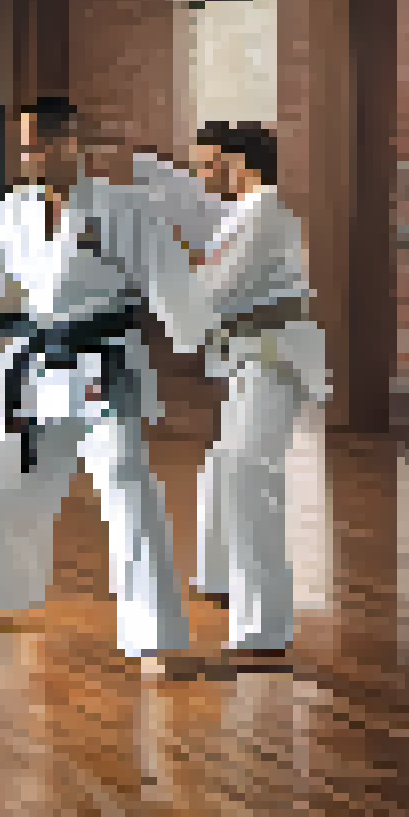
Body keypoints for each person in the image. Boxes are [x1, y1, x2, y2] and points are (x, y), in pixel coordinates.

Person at [0, 96, 199, 667]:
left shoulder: (125, 210)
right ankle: (0, 593)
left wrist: (201, 339)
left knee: (125, 488)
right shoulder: (8, 212)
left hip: (104, 362)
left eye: (40, 143)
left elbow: (172, 287)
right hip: (33, 361)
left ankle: (157, 636)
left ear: (73, 142)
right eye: (23, 145)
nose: (30, 155)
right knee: (12, 480)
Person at [176, 121, 329, 674]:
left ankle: (264, 627)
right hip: (246, 355)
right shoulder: (242, 215)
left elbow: (208, 292)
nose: (198, 174)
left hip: (271, 356)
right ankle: (217, 578)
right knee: (223, 467)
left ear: (236, 161)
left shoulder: (262, 213)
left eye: (205, 163)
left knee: (248, 473)